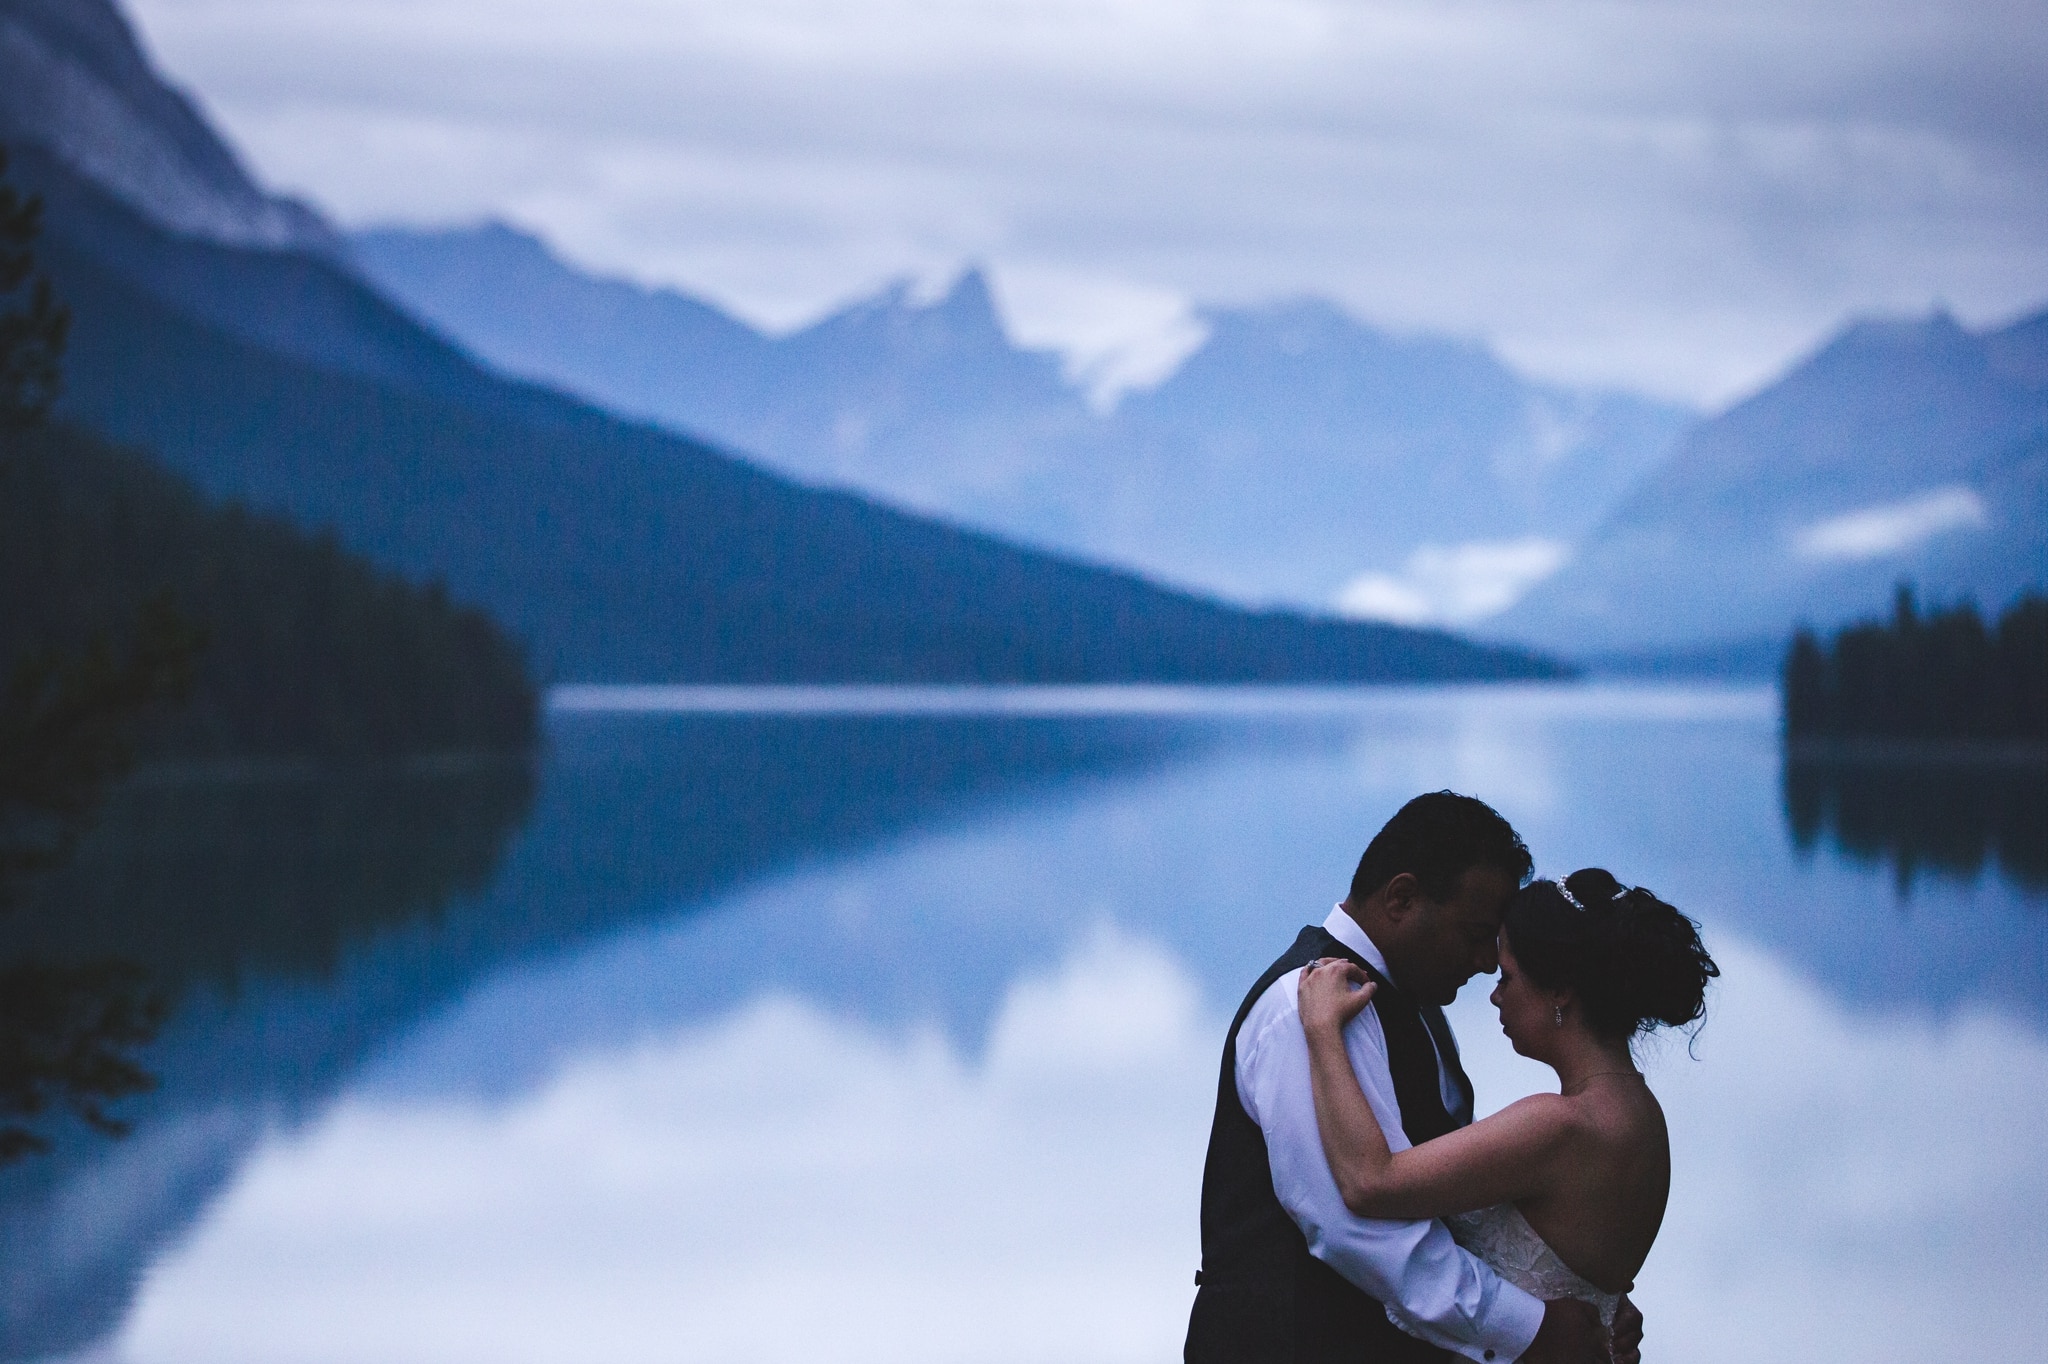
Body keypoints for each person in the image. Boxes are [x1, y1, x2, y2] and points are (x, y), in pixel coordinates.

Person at [1184, 792, 1644, 1364]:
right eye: (1476, 934)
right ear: (1401, 898)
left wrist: (1581, 1297)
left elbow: (1454, 1200)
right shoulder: (1309, 1008)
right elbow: (1354, 1226)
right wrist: (1530, 1326)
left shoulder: (1419, 1009)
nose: (1485, 964)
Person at [1296, 869, 1716, 1340]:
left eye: (1507, 977)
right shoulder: (1641, 1116)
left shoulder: (1561, 1126)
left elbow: (1371, 1183)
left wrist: (1321, 1031)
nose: (1495, 996)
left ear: (1560, 989)